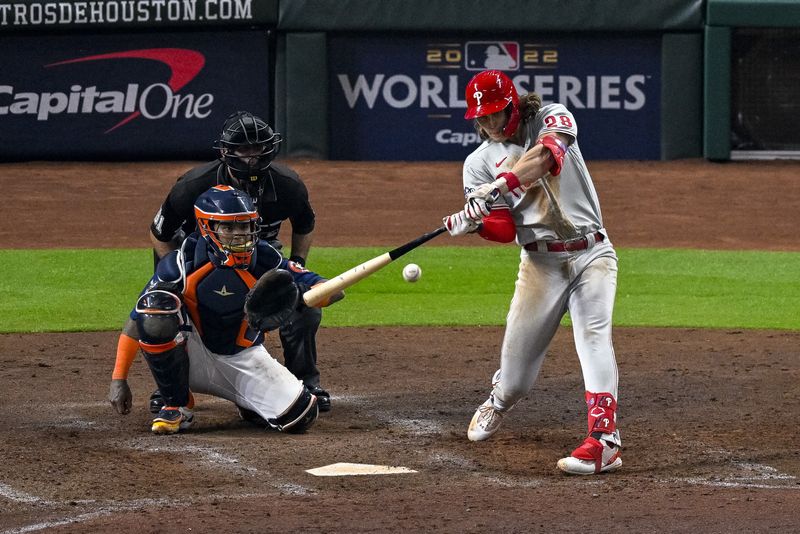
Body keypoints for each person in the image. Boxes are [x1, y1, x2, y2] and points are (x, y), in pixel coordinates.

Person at [443, 70, 622, 475]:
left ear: (514, 103)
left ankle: (604, 441)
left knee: (593, 339)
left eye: (497, 112)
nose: (490, 123)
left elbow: (546, 157)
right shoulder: (477, 164)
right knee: (517, 378)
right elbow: (505, 230)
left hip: (593, 253)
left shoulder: (552, 117)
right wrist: (476, 224)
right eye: (482, 117)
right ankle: (499, 400)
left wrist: (502, 184)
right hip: (541, 265)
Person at [133, 110, 332, 412]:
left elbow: (305, 225)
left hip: (261, 255)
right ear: (227, 151)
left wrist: (297, 264)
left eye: (258, 148)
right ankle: (171, 391)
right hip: (200, 256)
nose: (252, 156)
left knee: (303, 306)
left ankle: (303, 381)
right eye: (244, 149)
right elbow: (160, 231)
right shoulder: (194, 184)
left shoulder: (287, 183)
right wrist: (176, 271)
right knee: (163, 317)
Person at [108, 185, 343, 434]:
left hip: (241, 357)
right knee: (156, 309)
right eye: (228, 227)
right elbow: (138, 319)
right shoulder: (181, 262)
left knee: (301, 416)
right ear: (207, 228)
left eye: (244, 226)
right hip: (191, 356)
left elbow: (331, 289)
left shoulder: (265, 258)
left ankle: (247, 401)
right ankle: (176, 404)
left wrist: (308, 297)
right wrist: (118, 378)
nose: (239, 234)